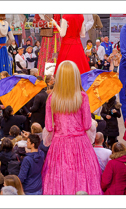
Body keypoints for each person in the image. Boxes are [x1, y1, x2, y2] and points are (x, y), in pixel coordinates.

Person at [42, 61, 102, 195]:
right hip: (81, 144)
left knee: (58, 181)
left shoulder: (52, 98)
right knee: (83, 180)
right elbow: (87, 125)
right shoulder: (82, 96)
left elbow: (49, 127)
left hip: (59, 144)